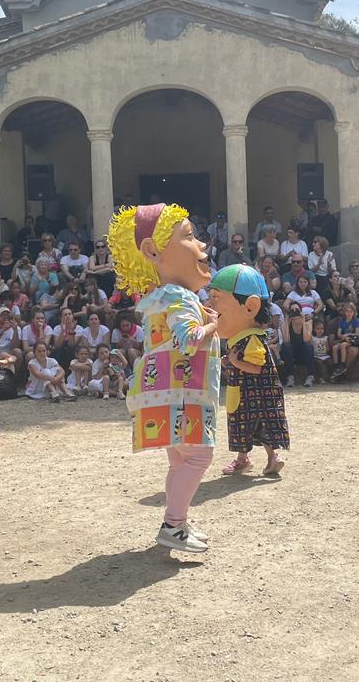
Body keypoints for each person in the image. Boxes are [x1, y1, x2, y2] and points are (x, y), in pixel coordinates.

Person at [106, 203, 219, 553]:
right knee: (200, 457)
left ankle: (177, 522)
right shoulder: (182, 298)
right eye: (188, 236)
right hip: (185, 396)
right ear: (152, 252)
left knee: (180, 461)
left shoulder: (161, 298)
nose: (202, 245)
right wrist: (216, 324)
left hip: (163, 396)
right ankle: (173, 525)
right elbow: (189, 340)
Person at [208, 265, 289, 476]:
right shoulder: (241, 339)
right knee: (242, 427)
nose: (210, 304)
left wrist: (235, 362)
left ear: (250, 306)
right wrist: (231, 362)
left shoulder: (252, 338)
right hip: (246, 395)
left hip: (255, 396)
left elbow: (257, 366)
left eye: (216, 297)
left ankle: (268, 457)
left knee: (259, 425)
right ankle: (247, 459)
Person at [280, 304, 315, 387]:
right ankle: (290, 377)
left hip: (303, 353)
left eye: (297, 310)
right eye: (292, 310)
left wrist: (303, 320)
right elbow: (286, 340)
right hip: (291, 354)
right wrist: (287, 323)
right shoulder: (285, 324)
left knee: (308, 346)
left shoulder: (308, 323)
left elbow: (306, 339)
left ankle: (310, 376)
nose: (295, 312)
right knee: (286, 346)